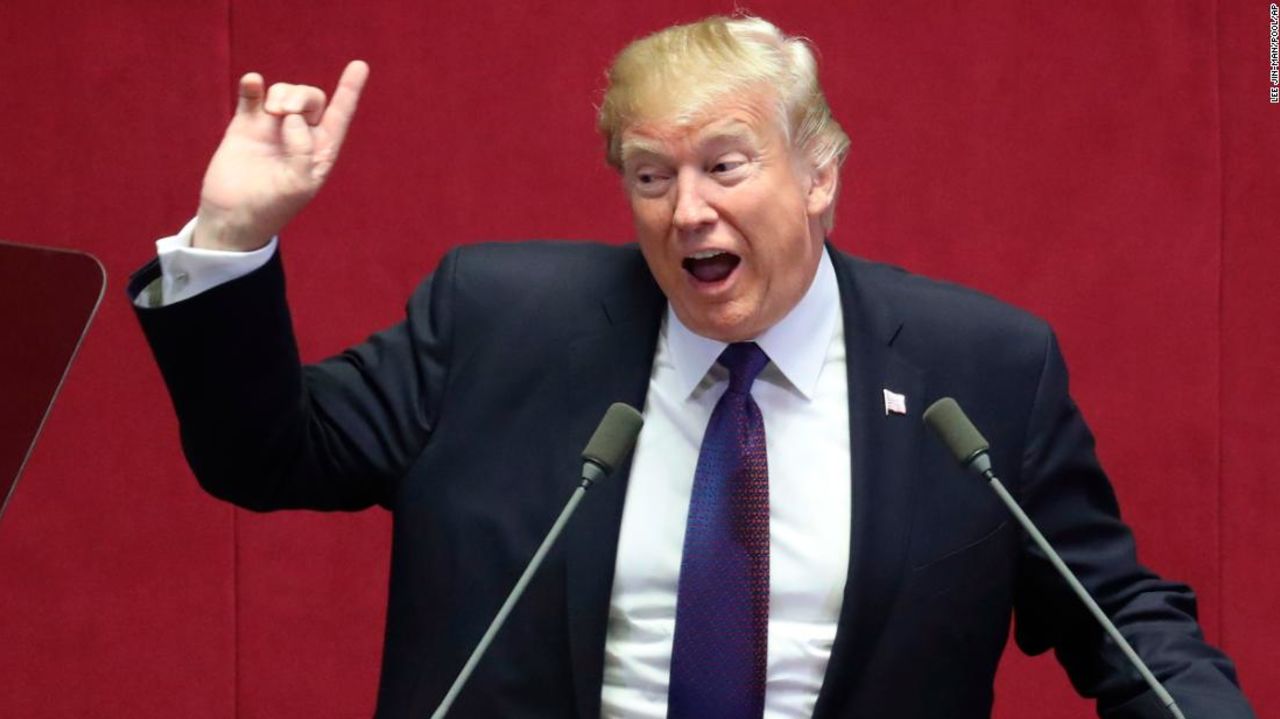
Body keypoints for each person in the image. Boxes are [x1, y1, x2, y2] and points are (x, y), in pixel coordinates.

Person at [130, 15, 1255, 719]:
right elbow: (264, 453)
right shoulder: (497, 319)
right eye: (649, 176)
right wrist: (230, 236)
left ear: (817, 173)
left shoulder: (982, 367)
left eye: (724, 164)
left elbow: (1114, 611)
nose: (687, 210)